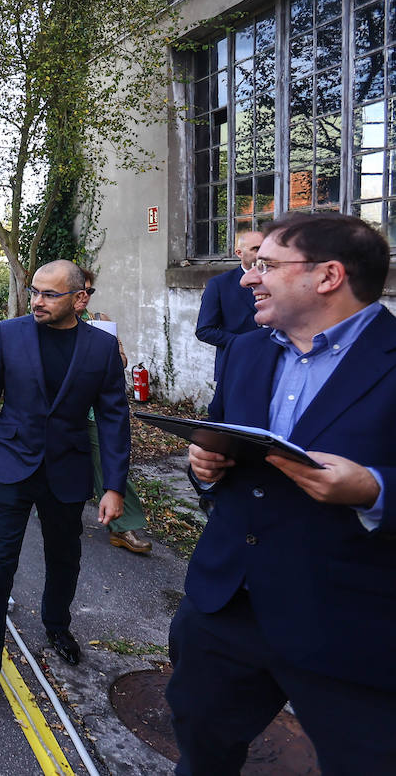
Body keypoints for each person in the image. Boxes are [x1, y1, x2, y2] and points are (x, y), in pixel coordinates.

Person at [167, 213, 396, 774]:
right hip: (224, 609)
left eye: (264, 265)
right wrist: (205, 465)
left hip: (349, 624)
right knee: (200, 753)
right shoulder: (248, 351)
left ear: (328, 276)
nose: (247, 279)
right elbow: (217, 436)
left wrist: (373, 488)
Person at [0, 260, 129, 699]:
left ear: (79, 298)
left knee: (64, 555)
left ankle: (57, 625)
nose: (37, 300)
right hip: (12, 461)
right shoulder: (8, 334)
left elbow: (113, 418)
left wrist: (113, 485)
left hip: (67, 468)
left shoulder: (101, 349)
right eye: (35, 291)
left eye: (50, 294)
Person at [78, 270, 151, 555]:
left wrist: (110, 354)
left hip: (97, 410)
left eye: (90, 291)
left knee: (110, 462)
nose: (85, 296)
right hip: (62, 410)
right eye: (79, 289)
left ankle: (123, 527)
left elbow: (121, 361)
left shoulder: (101, 322)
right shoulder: (50, 321)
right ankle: (51, 512)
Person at [195, 229, 262, 381]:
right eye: (255, 249)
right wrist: (242, 342)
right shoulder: (219, 284)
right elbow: (204, 330)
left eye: (264, 248)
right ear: (239, 253)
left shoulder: (278, 281)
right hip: (236, 366)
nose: (261, 254)